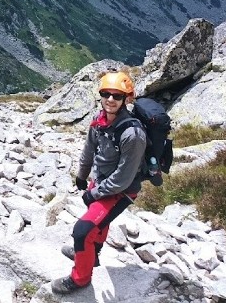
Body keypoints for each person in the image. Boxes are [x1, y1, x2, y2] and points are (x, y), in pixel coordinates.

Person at [52, 71, 146, 294]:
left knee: (82, 231)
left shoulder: (132, 134)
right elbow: (88, 150)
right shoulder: (99, 120)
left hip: (121, 191)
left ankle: (80, 279)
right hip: (101, 182)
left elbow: (123, 178)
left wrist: (95, 193)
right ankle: (90, 256)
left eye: (117, 96)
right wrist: (82, 176)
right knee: (97, 222)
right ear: (101, 95)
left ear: (126, 99)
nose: (111, 99)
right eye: (106, 94)